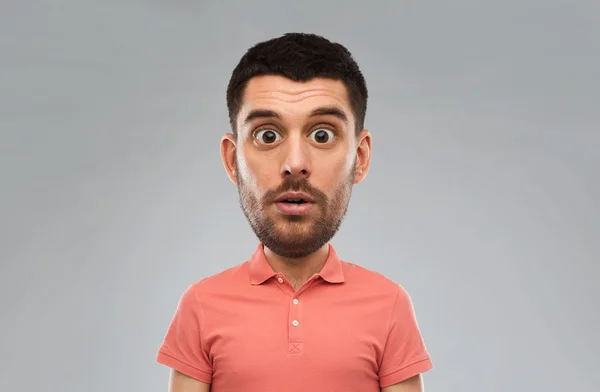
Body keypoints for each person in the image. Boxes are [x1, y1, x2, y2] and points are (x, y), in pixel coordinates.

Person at [156, 32, 433, 392]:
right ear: (232, 160)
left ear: (360, 158)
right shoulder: (200, 305)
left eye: (322, 135)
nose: (295, 164)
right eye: (267, 135)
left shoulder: (390, 303)